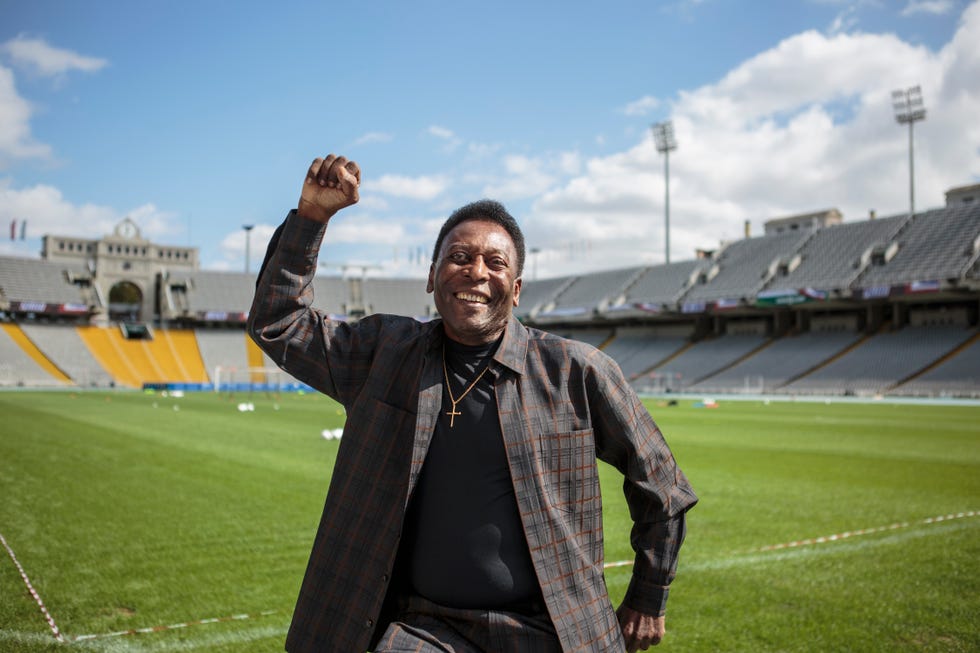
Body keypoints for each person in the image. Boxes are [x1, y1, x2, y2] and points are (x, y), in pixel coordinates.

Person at [248, 153, 697, 653]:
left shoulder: (576, 371)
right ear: (432, 275)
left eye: (495, 262)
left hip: (554, 628)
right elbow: (279, 322)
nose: (475, 272)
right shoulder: (383, 354)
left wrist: (648, 596)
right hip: (424, 627)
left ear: (517, 288)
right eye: (459, 257)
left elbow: (662, 485)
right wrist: (312, 217)